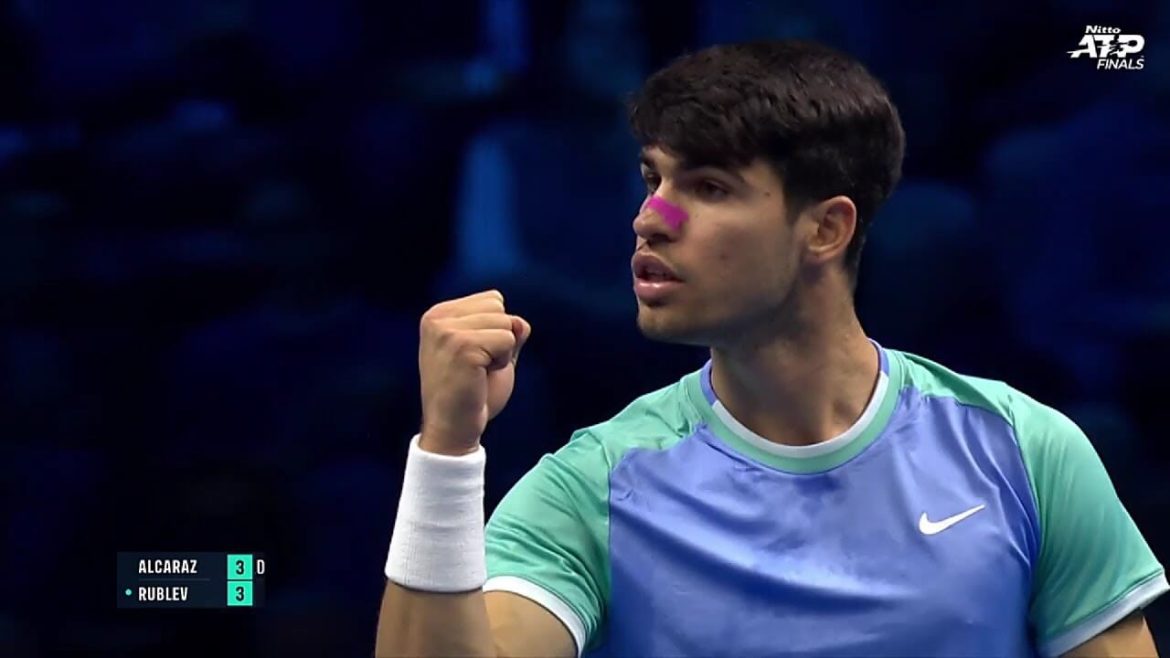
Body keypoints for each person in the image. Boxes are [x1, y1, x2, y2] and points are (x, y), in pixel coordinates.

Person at [375, 40, 1166, 657]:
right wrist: (446, 451)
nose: (651, 218)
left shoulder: (1023, 450)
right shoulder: (594, 486)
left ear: (825, 229)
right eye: (653, 179)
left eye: (708, 187)